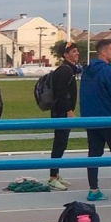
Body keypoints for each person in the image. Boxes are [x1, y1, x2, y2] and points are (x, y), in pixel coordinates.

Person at [80, 38, 111, 201]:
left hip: (91, 119)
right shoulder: (109, 71)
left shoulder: (87, 71)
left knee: (94, 154)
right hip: (109, 118)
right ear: (104, 52)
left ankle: (93, 189)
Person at [47, 41, 80, 191]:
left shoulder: (69, 70)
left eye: (77, 51)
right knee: (59, 144)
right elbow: (60, 93)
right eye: (74, 51)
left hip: (62, 112)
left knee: (62, 143)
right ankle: (53, 177)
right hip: (61, 112)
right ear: (65, 55)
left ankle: (56, 174)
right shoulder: (65, 70)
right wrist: (69, 111)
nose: (77, 53)